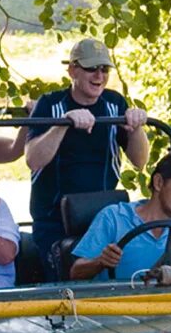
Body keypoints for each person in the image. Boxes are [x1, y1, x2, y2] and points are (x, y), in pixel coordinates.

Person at [24, 39, 149, 279]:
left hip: (104, 220)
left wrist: (136, 127)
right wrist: (63, 125)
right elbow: (33, 160)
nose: (99, 76)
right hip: (54, 222)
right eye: (92, 68)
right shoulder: (50, 104)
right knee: (68, 282)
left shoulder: (114, 103)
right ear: (72, 70)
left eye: (104, 70)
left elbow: (140, 161)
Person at [70, 151, 171, 281]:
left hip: (160, 308)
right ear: (159, 182)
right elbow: (75, 272)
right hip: (111, 307)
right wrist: (101, 261)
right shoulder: (113, 217)